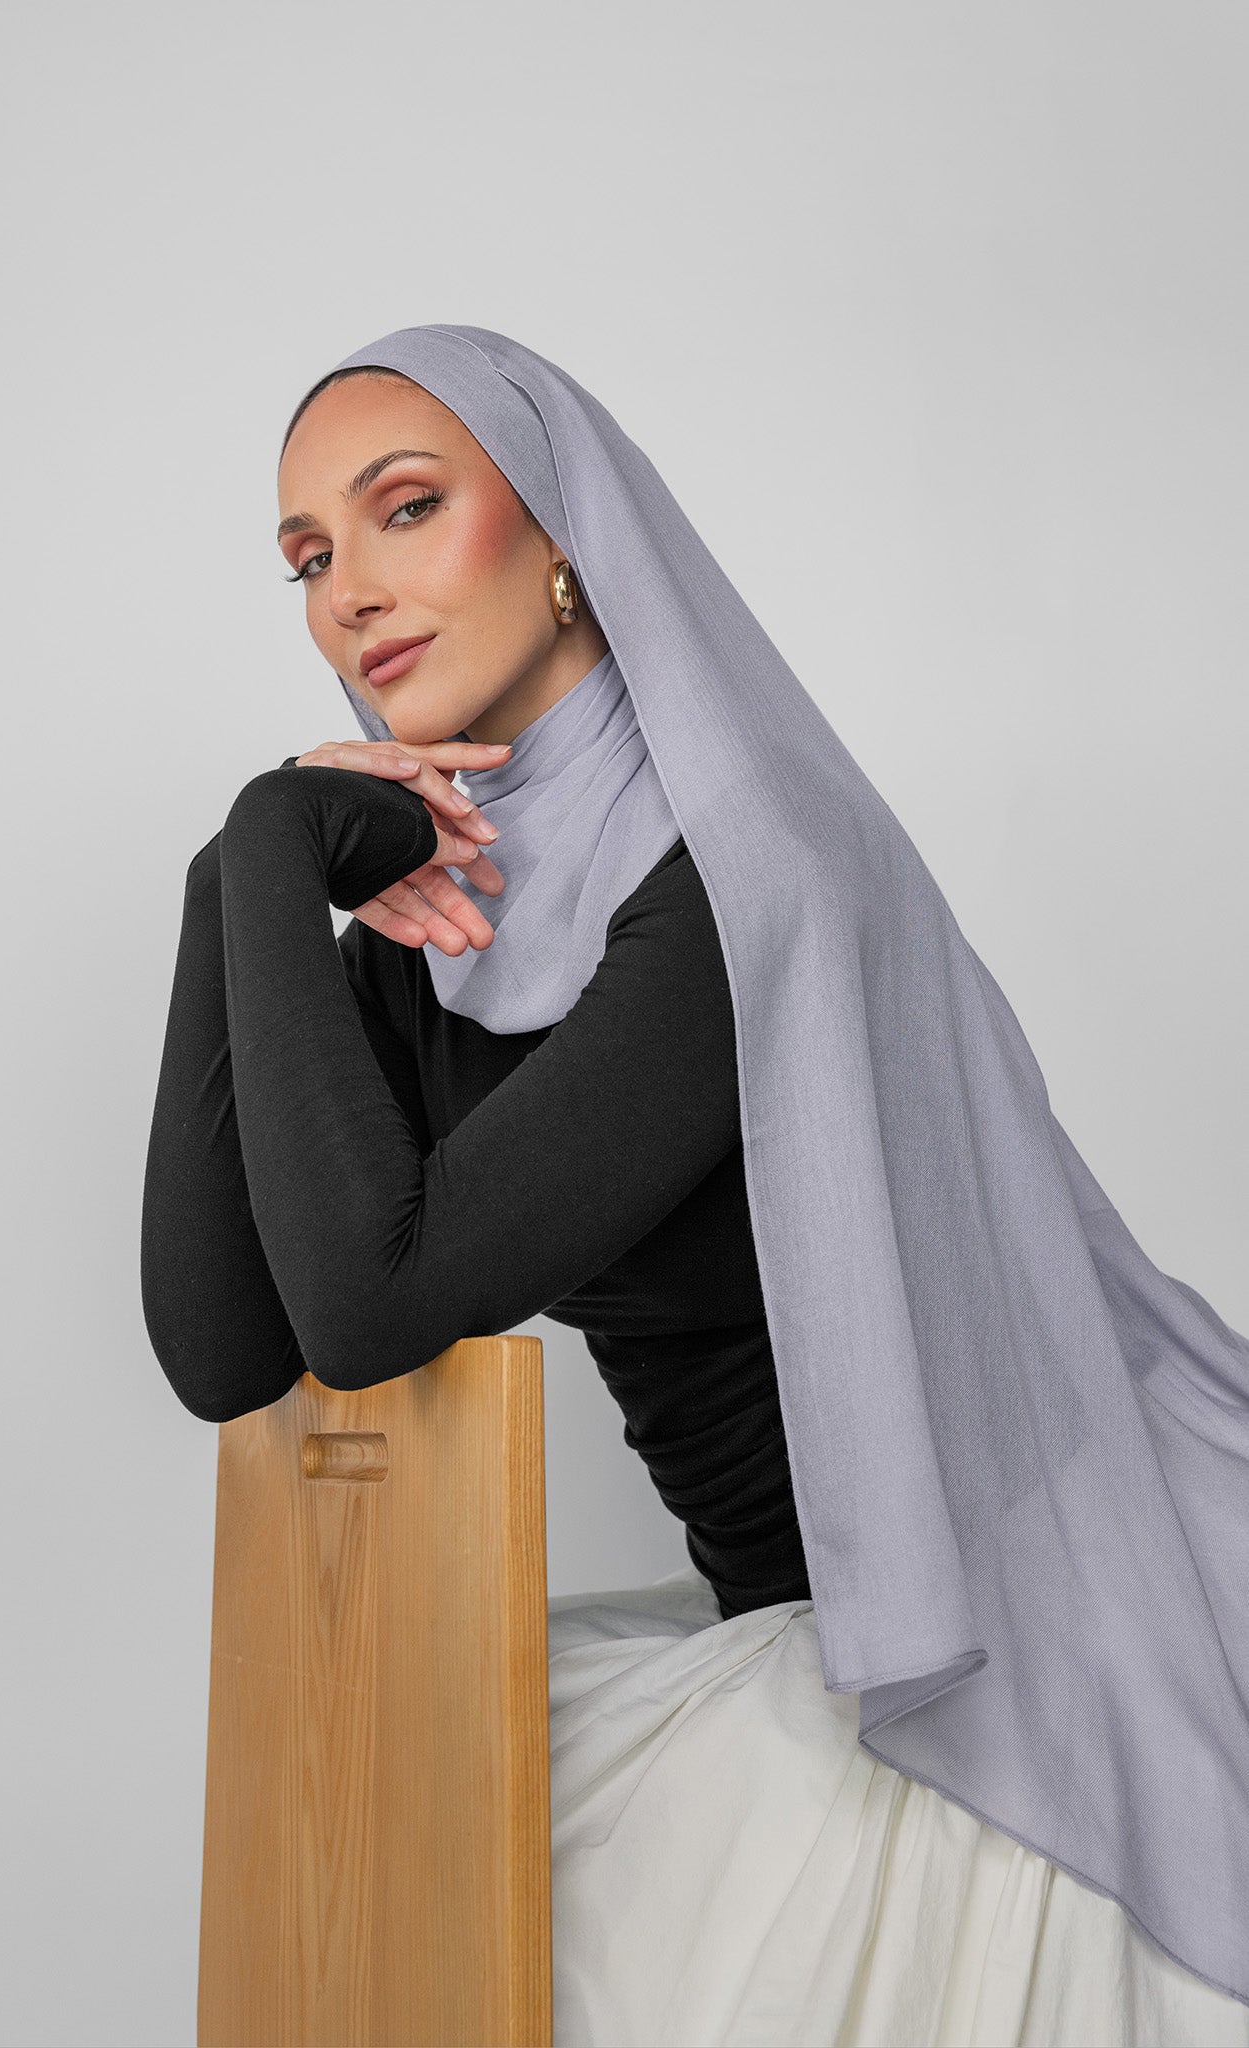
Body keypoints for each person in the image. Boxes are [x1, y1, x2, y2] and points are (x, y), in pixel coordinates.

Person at [141, 326, 1249, 2045]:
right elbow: (232, 1352)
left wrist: (277, 850)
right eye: (306, 559)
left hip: (1034, 1629)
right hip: (788, 1633)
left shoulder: (750, 871)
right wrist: (242, 871)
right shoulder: (431, 937)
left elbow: (373, 1307)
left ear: (567, 541)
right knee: (388, 1826)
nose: (347, 591)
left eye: (405, 510)